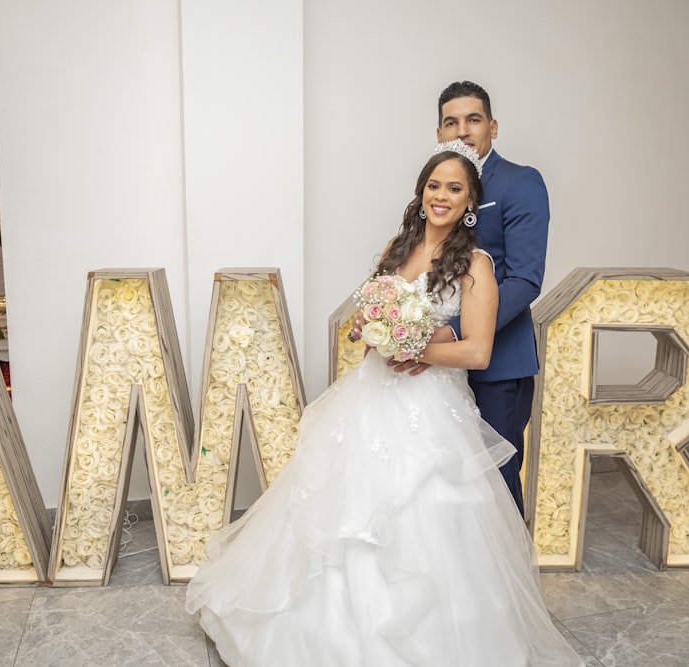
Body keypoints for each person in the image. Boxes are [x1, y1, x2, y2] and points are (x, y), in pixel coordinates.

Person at [185, 141, 582, 666]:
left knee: (431, 513)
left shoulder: (477, 266)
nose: (442, 195)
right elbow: (374, 311)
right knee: (339, 508)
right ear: (421, 192)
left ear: (470, 203)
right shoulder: (399, 246)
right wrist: (368, 328)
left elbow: (478, 351)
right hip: (369, 397)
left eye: (455, 188)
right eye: (434, 185)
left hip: (433, 408)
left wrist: (416, 346)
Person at [398, 81, 549, 518]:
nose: (462, 131)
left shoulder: (521, 182)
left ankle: (505, 585)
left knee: (494, 485)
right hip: (434, 376)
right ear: (440, 132)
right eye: (451, 122)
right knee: (436, 487)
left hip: (497, 362)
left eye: (473, 120)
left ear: (493, 127)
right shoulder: (439, 185)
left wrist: (451, 331)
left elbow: (524, 278)